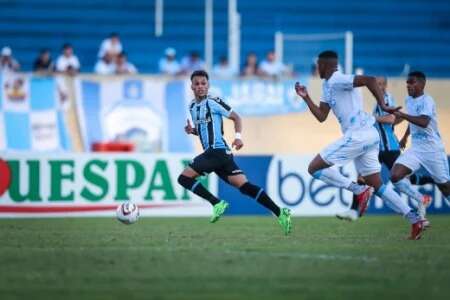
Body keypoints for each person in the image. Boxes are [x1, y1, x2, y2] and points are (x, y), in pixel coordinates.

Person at [294, 50, 424, 240]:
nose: (317, 68)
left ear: (328, 65)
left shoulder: (339, 79)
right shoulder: (327, 86)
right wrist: (306, 98)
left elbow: (370, 80)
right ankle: (414, 219)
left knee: (313, 168)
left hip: (358, 134)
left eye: (319, 64)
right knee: (378, 185)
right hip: (369, 135)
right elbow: (322, 116)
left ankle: (358, 190)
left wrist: (384, 105)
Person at [177, 70, 292, 235]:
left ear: (208, 85)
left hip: (216, 151)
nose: (201, 86)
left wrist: (238, 137)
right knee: (244, 187)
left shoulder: (213, 102)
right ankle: (280, 212)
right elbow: (205, 130)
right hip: (219, 155)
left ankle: (216, 203)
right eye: (197, 84)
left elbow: (237, 117)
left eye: (204, 83)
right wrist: (192, 130)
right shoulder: (192, 106)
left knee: (183, 178)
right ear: (192, 87)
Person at [337, 76, 432, 222]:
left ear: (386, 86)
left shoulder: (386, 99)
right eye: (377, 84)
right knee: (362, 177)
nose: (379, 87)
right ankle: (353, 210)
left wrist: (371, 118)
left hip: (389, 149)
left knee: (403, 180)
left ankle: (424, 193)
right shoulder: (379, 103)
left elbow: (390, 119)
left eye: (381, 84)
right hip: (378, 148)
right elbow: (395, 119)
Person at [390, 71, 450, 211]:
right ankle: (422, 199)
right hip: (416, 149)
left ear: (422, 84)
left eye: (412, 82)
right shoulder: (408, 100)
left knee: (445, 187)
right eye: (407, 82)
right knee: (395, 176)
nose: (408, 85)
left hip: (432, 149)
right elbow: (413, 120)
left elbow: (423, 122)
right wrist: (405, 136)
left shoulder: (427, 101)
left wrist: (402, 115)